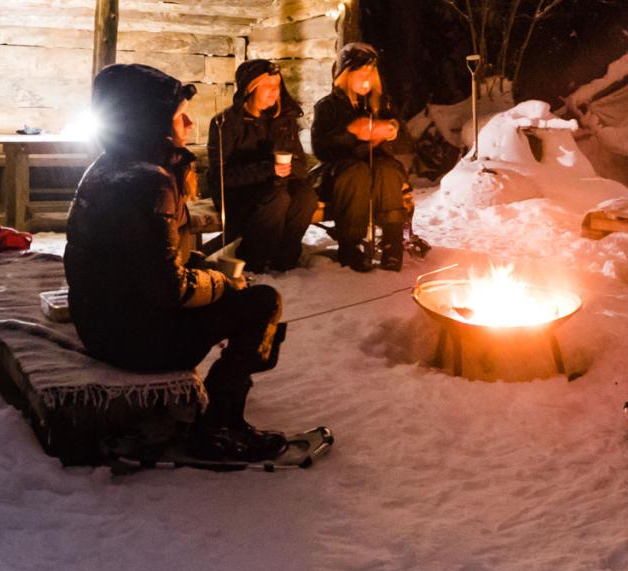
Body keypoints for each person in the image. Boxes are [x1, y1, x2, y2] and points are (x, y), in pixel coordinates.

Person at [64, 62, 287, 461]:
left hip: (103, 325)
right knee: (263, 302)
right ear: (150, 122)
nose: (188, 122)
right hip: (137, 341)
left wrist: (206, 266)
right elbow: (170, 288)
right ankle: (220, 424)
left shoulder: (110, 167)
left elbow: (149, 256)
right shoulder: (150, 182)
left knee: (242, 291)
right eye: (178, 114)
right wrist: (223, 283)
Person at [207, 59, 319, 274]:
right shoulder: (226, 123)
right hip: (237, 192)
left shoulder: (283, 119)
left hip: (278, 184)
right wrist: (268, 168)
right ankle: (254, 260)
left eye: (277, 86)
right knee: (278, 198)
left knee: (306, 196)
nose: (274, 93)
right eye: (267, 87)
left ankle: (285, 258)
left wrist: (288, 169)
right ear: (250, 89)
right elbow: (221, 175)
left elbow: (300, 164)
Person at [311, 42, 408, 272]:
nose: (366, 77)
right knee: (357, 173)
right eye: (360, 71)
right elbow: (320, 147)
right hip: (341, 173)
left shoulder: (382, 103)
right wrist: (351, 132)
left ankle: (393, 246)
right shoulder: (328, 107)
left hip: (379, 170)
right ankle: (350, 246)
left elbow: (405, 141)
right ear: (345, 74)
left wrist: (392, 130)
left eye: (370, 71)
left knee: (387, 171)